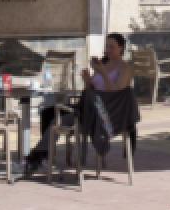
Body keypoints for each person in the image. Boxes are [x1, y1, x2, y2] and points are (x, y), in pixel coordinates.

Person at [24, 33, 135, 175]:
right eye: (106, 46)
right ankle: (43, 156)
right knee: (48, 112)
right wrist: (88, 79)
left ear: (121, 48)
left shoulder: (124, 68)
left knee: (57, 120)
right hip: (89, 108)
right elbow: (91, 90)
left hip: (105, 113)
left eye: (111, 47)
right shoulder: (104, 64)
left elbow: (116, 94)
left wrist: (103, 74)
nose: (108, 50)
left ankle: (37, 157)